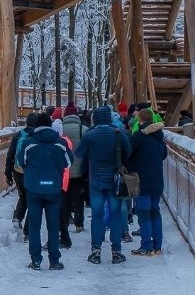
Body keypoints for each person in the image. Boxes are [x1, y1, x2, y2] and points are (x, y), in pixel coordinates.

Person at [74, 106, 132, 264]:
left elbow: (79, 154)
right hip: (115, 181)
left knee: (97, 215)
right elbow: (128, 152)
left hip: (96, 181)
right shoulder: (118, 134)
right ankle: (116, 252)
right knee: (116, 215)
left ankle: (96, 251)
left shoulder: (90, 135)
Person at [17, 113, 73, 270]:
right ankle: (54, 260)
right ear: (50, 125)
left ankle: (35, 260)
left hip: (34, 188)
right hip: (53, 188)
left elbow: (21, 162)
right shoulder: (61, 143)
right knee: (53, 225)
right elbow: (69, 162)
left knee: (34, 225)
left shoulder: (29, 142)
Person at [127, 108, 168, 256]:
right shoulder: (159, 138)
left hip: (142, 180)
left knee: (143, 213)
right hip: (157, 179)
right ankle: (158, 245)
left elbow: (128, 154)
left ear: (140, 119)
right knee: (155, 211)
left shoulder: (137, 137)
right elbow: (163, 154)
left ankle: (146, 246)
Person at [5, 112, 40, 241]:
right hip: (33, 172)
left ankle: (17, 217)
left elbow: (10, 154)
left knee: (23, 195)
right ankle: (28, 233)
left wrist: (8, 172)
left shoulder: (19, 135)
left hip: (18, 170)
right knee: (33, 199)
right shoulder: (38, 136)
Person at [61, 105, 88, 235]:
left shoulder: (60, 130)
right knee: (79, 197)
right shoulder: (82, 129)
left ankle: (66, 219)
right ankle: (79, 223)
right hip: (79, 170)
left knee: (65, 197)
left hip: (64, 170)